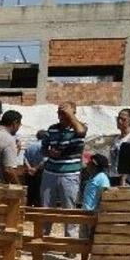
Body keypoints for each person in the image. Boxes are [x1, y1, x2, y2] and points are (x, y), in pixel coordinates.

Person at [40, 101, 87, 238]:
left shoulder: (79, 127)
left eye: (64, 112)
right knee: (46, 209)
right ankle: (43, 239)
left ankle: (70, 244)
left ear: (73, 113)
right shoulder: (52, 129)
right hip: (50, 173)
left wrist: (70, 116)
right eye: (60, 112)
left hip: (70, 174)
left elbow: (81, 132)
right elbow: (43, 149)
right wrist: (49, 153)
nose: (61, 115)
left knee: (69, 210)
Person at [82, 153, 111, 238]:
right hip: (86, 213)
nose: (87, 164)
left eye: (89, 163)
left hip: (93, 215)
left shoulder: (102, 178)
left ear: (95, 165)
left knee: (92, 239)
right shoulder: (93, 177)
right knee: (84, 240)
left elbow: (105, 197)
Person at [110, 108, 130, 186]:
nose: (119, 121)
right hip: (114, 176)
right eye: (118, 118)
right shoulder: (117, 139)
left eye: (123, 119)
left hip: (127, 179)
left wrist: (124, 179)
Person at [23, 129, 47, 206]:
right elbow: (45, 160)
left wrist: (29, 168)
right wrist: (36, 169)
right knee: (39, 197)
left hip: (29, 173)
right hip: (40, 174)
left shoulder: (30, 146)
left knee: (29, 196)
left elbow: (25, 158)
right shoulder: (44, 147)